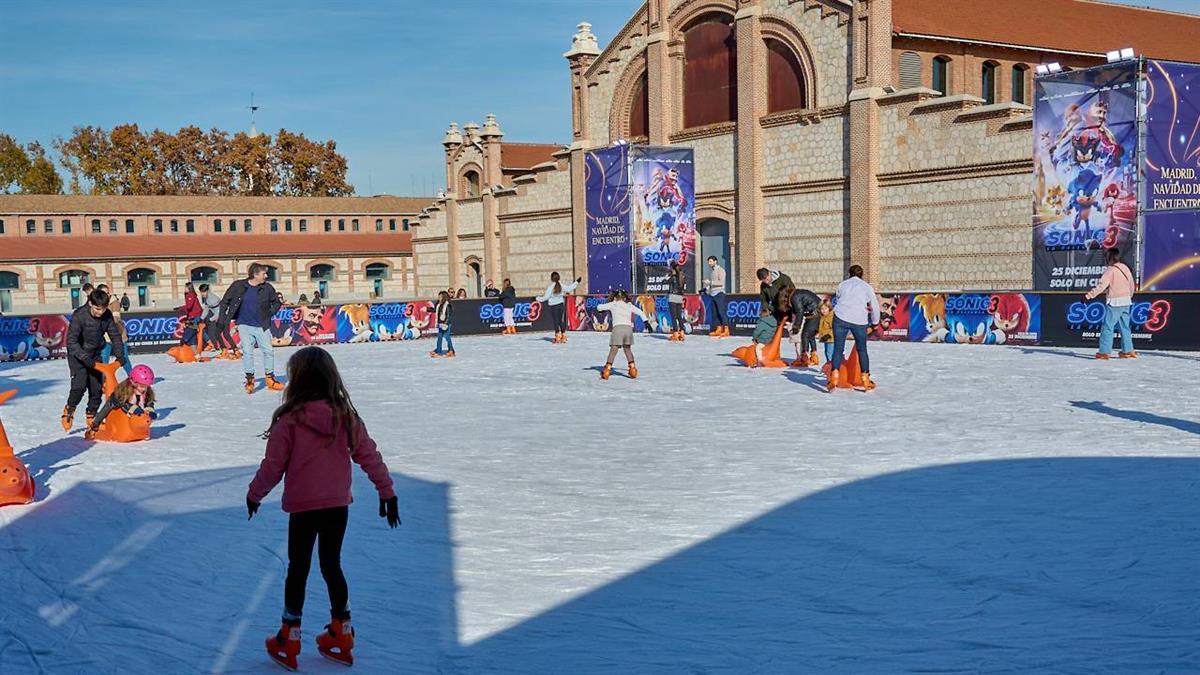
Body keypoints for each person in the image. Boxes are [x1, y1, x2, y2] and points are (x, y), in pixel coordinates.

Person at [247, 346, 399, 669]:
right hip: (336, 506)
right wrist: (387, 492)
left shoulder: (289, 419)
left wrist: (254, 494)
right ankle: (341, 630)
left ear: (298, 381)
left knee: (298, 569)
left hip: (303, 508)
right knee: (332, 565)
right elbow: (369, 455)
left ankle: (290, 634)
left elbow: (273, 467)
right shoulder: (345, 416)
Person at [61, 290, 125, 432]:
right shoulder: (79, 315)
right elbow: (71, 342)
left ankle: (92, 415)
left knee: (96, 388)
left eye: (103, 309)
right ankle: (69, 409)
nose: (100, 312)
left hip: (95, 353)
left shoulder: (106, 315)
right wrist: (84, 358)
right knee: (79, 386)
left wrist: (120, 355)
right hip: (78, 355)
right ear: (90, 303)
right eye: (97, 309)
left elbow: (114, 336)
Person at [218, 263, 285, 394]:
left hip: (262, 325)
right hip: (244, 325)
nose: (266, 276)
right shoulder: (238, 286)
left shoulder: (267, 288)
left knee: (268, 351)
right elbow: (225, 301)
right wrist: (223, 317)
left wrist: (270, 313)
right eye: (263, 274)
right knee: (248, 352)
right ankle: (250, 379)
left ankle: (270, 378)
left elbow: (277, 302)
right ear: (255, 275)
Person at [827, 265, 880, 392]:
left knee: (838, 348)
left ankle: (834, 378)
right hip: (859, 320)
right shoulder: (867, 287)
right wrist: (875, 322)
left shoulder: (842, 284)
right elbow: (875, 306)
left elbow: (838, 299)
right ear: (862, 274)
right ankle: (866, 380)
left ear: (849, 273)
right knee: (862, 350)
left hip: (840, 317)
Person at [1085, 247, 1137, 359]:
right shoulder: (1125, 268)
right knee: (1124, 327)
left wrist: (1088, 296)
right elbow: (1131, 284)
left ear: (1108, 257)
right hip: (1126, 301)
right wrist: (1129, 296)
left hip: (1115, 302)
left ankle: (1104, 352)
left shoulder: (1110, 270)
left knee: (1108, 327)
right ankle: (1128, 350)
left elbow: (1101, 286)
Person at [85, 364, 156, 439]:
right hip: (116, 402)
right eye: (142, 386)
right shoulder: (124, 391)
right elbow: (123, 403)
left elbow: (149, 401)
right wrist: (133, 408)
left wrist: (150, 410)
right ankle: (94, 426)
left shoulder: (145, 392)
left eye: (147, 386)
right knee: (106, 409)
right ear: (133, 382)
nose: (144, 389)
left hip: (133, 414)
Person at [597, 290, 647, 380]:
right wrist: (646, 322)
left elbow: (599, 307)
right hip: (628, 329)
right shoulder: (629, 305)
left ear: (615, 298)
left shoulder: (613, 304)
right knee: (627, 349)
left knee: (614, 350)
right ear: (624, 298)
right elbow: (640, 312)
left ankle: (607, 370)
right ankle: (633, 369)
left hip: (618, 328)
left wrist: (601, 310)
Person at [778, 287, 822, 367]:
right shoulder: (796, 294)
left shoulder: (794, 297)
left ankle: (804, 358)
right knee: (810, 335)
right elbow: (798, 309)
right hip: (816, 311)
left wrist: (796, 326)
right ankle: (814, 356)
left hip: (814, 312)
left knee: (804, 335)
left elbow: (800, 311)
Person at [536, 272, 579, 344]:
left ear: (551, 278)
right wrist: (576, 282)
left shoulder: (551, 287)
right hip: (560, 305)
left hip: (553, 306)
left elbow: (546, 297)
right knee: (560, 321)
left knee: (556, 321)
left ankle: (557, 336)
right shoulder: (561, 285)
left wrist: (537, 298)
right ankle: (563, 335)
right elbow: (569, 289)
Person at [200, 283, 237, 360]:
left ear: (207, 291)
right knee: (222, 334)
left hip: (223, 316)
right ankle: (231, 349)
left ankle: (230, 350)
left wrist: (211, 319)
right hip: (221, 317)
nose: (202, 294)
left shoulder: (212, 299)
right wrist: (202, 318)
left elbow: (219, 311)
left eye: (204, 292)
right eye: (201, 292)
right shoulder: (207, 298)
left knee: (222, 334)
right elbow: (206, 308)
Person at [99, 297, 133, 377]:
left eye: (107, 292)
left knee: (124, 358)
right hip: (106, 337)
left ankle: (132, 377)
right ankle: (104, 380)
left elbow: (117, 319)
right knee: (104, 359)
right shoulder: (98, 303)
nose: (105, 294)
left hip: (119, 335)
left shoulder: (114, 302)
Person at [703, 256, 729, 337]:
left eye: (710, 261)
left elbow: (721, 282)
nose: (709, 263)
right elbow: (712, 284)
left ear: (715, 261)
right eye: (708, 262)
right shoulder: (712, 272)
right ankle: (718, 329)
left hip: (719, 293)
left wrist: (710, 282)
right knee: (715, 313)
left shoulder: (721, 270)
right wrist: (707, 288)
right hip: (713, 293)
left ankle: (726, 329)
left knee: (721, 312)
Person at [176, 282, 203, 348]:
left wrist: (181, 308)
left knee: (191, 330)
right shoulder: (189, 295)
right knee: (192, 332)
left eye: (185, 287)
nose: (184, 289)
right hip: (193, 316)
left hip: (196, 315)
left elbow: (189, 307)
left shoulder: (191, 295)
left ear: (189, 288)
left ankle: (183, 342)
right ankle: (194, 352)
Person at [430, 291, 455, 357]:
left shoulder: (447, 305)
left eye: (440, 296)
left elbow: (448, 315)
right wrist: (427, 309)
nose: (439, 298)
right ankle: (438, 350)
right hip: (440, 323)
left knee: (447, 337)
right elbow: (435, 310)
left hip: (446, 323)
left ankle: (451, 350)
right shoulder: (438, 304)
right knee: (439, 337)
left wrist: (446, 323)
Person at [666, 262, 687, 342]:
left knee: (673, 316)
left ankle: (675, 333)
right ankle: (682, 331)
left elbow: (664, 282)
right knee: (679, 315)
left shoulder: (673, 277)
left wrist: (667, 277)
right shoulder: (682, 276)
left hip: (673, 297)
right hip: (679, 297)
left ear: (672, 269)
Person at [816, 299, 835, 365]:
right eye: (822, 309)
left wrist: (828, 335)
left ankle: (831, 366)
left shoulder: (830, 316)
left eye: (825, 308)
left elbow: (834, 328)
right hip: (825, 338)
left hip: (831, 338)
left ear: (829, 308)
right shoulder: (823, 317)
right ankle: (829, 365)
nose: (823, 310)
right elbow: (822, 327)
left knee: (830, 353)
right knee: (827, 352)